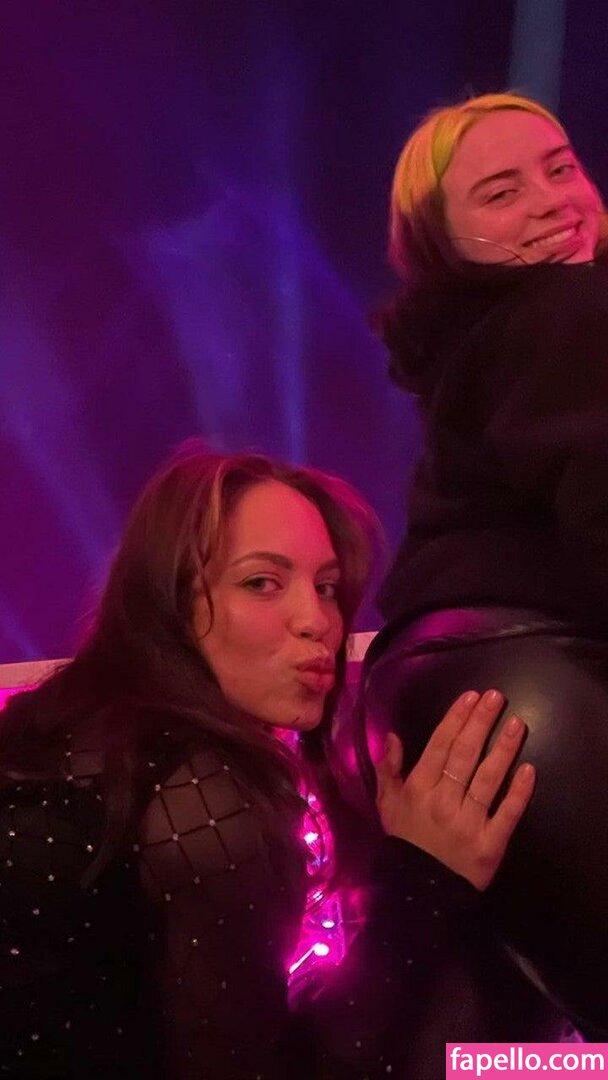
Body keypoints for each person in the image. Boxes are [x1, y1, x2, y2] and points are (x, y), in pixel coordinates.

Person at [0, 440, 535, 1079]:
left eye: (328, 587)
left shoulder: (76, 726)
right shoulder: (199, 791)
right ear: (170, 601)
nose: (318, 621)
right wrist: (424, 879)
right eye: (261, 583)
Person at [364, 91, 608, 1038]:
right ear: (440, 244)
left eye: (561, 166)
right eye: (501, 192)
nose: (551, 200)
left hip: (447, 695)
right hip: (536, 692)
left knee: (507, 1043)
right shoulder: (569, 309)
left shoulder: (489, 340)